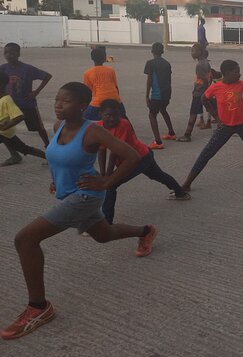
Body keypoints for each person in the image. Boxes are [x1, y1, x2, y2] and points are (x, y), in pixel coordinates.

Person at [0, 82, 157, 341]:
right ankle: (146, 231)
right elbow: (57, 157)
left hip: (86, 196)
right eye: (57, 101)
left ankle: (39, 308)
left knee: (25, 239)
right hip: (70, 193)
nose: (58, 105)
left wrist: (107, 182)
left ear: (83, 106)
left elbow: (131, 156)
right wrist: (57, 180)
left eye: (66, 101)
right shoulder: (57, 126)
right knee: (103, 234)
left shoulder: (93, 132)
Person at [181, 60, 243, 189]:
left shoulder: (240, 84)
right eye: (236, 72)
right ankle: (187, 183)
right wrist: (216, 116)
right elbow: (204, 99)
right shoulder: (216, 86)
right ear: (226, 73)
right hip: (225, 127)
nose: (239, 74)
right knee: (206, 153)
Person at [97, 99, 190, 223]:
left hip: (139, 158)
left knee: (111, 185)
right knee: (158, 176)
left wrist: (108, 177)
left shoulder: (123, 124)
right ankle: (180, 193)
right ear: (100, 114)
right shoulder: (98, 127)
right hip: (140, 156)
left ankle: (106, 223)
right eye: (108, 115)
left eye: (116, 115)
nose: (112, 119)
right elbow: (101, 150)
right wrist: (103, 173)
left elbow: (114, 152)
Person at [0, 42, 52, 151]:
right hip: (10, 104)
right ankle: (14, 154)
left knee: (39, 127)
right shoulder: (3, 68)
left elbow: (47, 76)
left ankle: (49, 147)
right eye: (6, 53)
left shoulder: (27, 69)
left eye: (12, 53)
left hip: (26, 103)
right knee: (5, 128)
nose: (8, 55)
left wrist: (36, 91)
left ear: (18, 54)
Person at [0, 72, 46, 166]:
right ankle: (15, 156)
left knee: (24, 149)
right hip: (3, 133)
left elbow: (19, 116)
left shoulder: (6, 99)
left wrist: (4, 127)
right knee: (21, 147)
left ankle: (50, 158)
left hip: (5, 132)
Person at [144, 42, 176, 150]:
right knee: (163, 110)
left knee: (152, 115)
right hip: (166, 93)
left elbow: (149, 80)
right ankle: (171, 133)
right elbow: (169, 80)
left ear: (152, 51)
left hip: (157, 95)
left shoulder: (150, 63)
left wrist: (147, 95)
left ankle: (158, 141)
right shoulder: (167, 63)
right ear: (162, 51)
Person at [177, 44, 211, 142]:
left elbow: (204, 79)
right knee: (212, 110)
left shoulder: (199, 65)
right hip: (204, 91)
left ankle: (187, 134)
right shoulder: (205, 63)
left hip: (199, 92)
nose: (192, 53)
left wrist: (203, 90)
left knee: (193, 113)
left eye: (193, 51)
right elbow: (208, 77)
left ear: (199, 52)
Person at [82, 46, 126, 122]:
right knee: (123, 120)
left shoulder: (88, 73)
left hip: (98, 102)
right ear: (105, 58)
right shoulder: (111, 70)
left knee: (84, 120)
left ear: (92, 58)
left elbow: (87, 92)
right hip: (115, 100)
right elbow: (116, 88)